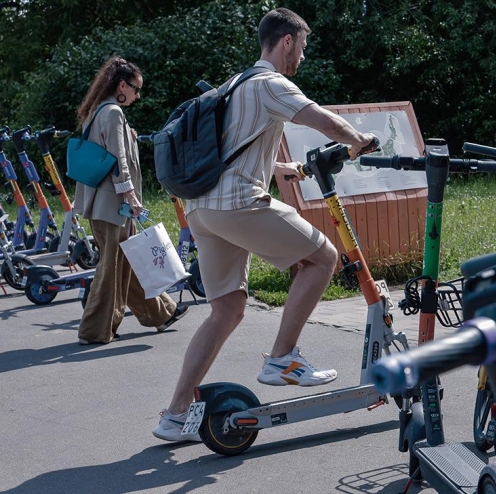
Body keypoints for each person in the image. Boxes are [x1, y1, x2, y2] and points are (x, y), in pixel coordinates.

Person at [152, 7, 377, 442]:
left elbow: (226, 149)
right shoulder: (272, 83)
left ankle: (175, 414)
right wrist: (357, 141)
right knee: (323, 257)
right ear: (287, 42)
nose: (303, 58)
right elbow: (322, 120)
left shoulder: (233, 84)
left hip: (202, 209)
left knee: (227, 308)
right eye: (303, 48)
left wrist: (277, 167)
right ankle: (282, 358)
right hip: (238, 203)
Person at [73, 56, 188, 345]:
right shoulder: (112, 113)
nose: (138, 95)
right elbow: (118, 163)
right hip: (113, 204)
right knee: (111, 268)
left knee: (130, 261)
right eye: (136, 89)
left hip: (103, 203)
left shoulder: (96, 110)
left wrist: (129, 136)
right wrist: (132, 197)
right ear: (121, 85)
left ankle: (161, 313)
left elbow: (107, 147)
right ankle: (93, 330)